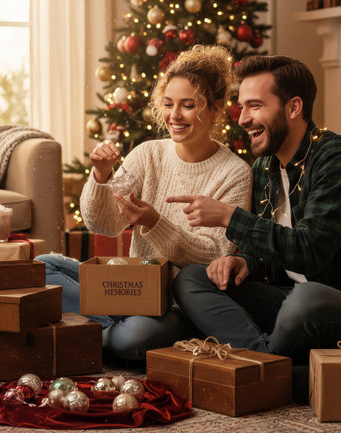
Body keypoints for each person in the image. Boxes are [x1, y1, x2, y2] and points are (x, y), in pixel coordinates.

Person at [36, 45, 253, 360]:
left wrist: (155, 224)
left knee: (135, 337)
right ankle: (109, 329)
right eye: (168, 104)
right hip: (127, 287)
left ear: (216, 107)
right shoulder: (147, 155)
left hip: (171, 304)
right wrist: (100, 175)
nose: (174, 116)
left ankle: (93, 330)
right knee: (44, 265)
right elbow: (104, 224)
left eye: (188, 105)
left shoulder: (235, 173)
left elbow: (214, 254)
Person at [168, 55, 341, 367]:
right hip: (289, 299)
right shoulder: (265, 167)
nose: (242, 119)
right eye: (241, 107)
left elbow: (308, 253)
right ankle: (270, 364)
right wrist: (243, 262)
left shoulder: (337, 160)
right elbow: (274, 257)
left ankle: (262, 366)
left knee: (307, 298)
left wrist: (229, 216)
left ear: (293, 108)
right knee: (192, 279)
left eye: (255, 106)